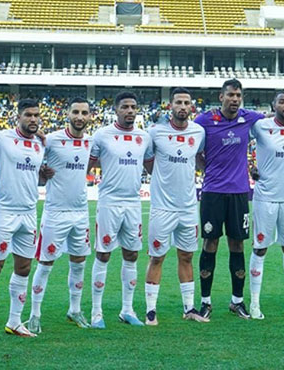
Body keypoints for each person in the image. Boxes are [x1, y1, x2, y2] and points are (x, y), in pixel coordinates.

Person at [193, 79, 265, 319]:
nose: (235, 99)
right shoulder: (204, 120)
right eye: (231, 95)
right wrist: (207, 169)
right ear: (220, 96)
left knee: (237, 244)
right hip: (213, 192)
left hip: (239, 193)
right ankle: (205, 302)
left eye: (238, 95)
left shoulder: (249, 118)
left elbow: (276, 123)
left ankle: (237, 301)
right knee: (210, 243)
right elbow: (193, 149)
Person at [0, 98, 46, 341]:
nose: (33, 119)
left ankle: (15, 322)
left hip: (29, 213)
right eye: (28, 115)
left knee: (24, 268)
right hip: (4, 213)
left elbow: (36, 177)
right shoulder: (1, 138)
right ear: (18, 117)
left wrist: (44, 177)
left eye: (36, 115)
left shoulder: (40, 144)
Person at [27, 97, 93, 333]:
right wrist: (42, 173)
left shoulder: (90, 141)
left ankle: (74, 310)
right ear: (67, 114)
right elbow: (31, 163)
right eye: (75, 111)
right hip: (55, 212)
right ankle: (34, 314)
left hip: (81, 212)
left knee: (79, 263)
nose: (79, 117)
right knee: (45, 264)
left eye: (84, 112)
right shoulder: (51, 140)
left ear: (89, 116)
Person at [143, 88, 208, 325]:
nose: (183, 106)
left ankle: (189, 307)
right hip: (162, 207)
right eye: (178, 102)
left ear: (192, 107)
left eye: (187, 103)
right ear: (170, 106)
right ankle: (151, 310)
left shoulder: (198, 132)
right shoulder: (156, 132)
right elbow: (148, 162)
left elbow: (200, 160)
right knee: (157, 257)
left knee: (187, 256)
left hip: (189, 207)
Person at [88, 91, 152, 328]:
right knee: (103, 254)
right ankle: (96, 312)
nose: (130, 111)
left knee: (132, 254)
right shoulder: (102, 135)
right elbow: (88, 163)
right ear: (115, 110)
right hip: (109, 202)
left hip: (134, 202)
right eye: (125, 107)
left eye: (133, 107)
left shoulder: (144, 137)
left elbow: (152, 166)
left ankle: (127, 309)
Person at [248, 90, 284, 320]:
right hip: (265, 198)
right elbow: (239, 139)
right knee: (260, 248)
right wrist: (249, 166)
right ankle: (254, 303)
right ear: (273, 105)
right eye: (282, 101)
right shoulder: (261, 126)